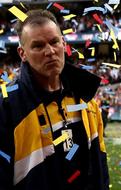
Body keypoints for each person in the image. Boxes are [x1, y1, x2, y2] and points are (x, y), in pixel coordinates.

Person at [0, 10, 109, 189]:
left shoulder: (86, 99)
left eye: (54, 42)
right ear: (22, 53)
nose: (49, 51)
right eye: (38, 46)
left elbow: (100, 166)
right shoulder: (7, 107)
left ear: (63, 43)